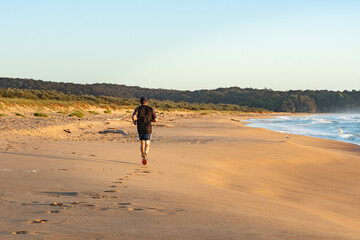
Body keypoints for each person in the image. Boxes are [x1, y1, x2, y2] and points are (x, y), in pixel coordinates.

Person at [132, 96, 157, 165]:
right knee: (147, 143)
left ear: (140, 102)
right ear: (147, 102)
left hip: (140, 128)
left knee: (142, 143)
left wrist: (134, 121)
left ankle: (143, 157)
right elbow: (156, 119)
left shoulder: (138, 109)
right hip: (148, 128)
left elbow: (133, 116)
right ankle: (146, 152)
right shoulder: (151, 109)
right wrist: (150, 120)